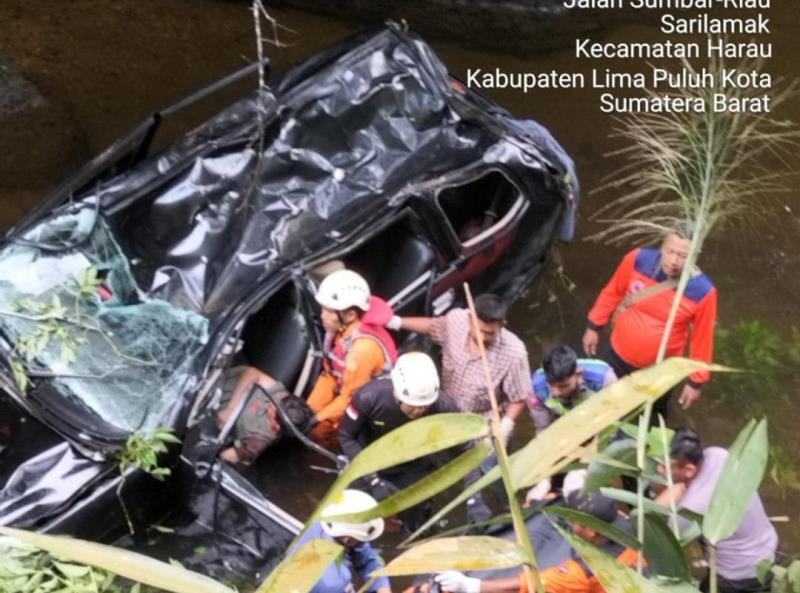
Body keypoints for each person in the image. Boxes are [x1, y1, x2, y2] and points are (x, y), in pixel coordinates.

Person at [218, 269, 398, 445]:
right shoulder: (338, 330)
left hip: (363, 399)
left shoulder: (362, 350)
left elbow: (351, 398)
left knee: (320, 430)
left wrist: (317, 419)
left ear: (350, 315)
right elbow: (330, 374)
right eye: (323, 309)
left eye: (329, 311)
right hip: (340, 381)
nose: (322, 316)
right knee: (307, 419)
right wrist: (310, 412)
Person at [340, 351, 489, 531]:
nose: (419, 411)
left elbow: (468, 452)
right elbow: (346, 436)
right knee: (356, 523)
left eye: (424, 407)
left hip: (413, 466)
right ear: (397, 392)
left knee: (415, 523)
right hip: (368, 463)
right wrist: (372, 480)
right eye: (413, 405)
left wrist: (475, 499)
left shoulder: (444, 407)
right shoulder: (368, 398)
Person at [582, 227, 717, 414]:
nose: (674, 261)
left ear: (694, 257)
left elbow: (702, 340)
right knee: (603, 407)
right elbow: (613, 292)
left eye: (683, 256)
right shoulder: (638, 260)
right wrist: (593, 326)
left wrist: (695, 382)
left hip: (660, 371)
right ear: (662, 246)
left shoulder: (703, 292)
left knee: (648, 416)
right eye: (670, 252)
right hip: (617, 355)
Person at [431, 490, 641, 593]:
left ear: (592, 531)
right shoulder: (622, 522)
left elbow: (530, 583)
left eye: (574, 522)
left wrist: (472, 585)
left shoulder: (588, 570)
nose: (570, 526)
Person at [387, 294, 530, 444]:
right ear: (470, 317)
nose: (482, 338)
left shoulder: (514, 353)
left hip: (482, 427)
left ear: (502, 326)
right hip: (446, 415)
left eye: (489, 333)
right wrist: (396, 322)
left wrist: (505, 426)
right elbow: (433, 327)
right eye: (479, 329)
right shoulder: (456, 320)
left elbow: (519, 398)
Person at [654, 428, 778, 593]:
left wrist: (660, 502)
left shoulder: (690, 509)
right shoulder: (717, 454)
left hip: (738, 576)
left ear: (689, 470)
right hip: (770, 550)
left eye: (665, 467)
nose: (658, 470)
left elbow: (657, 539)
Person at [291, 489, 392, 593]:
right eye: (362, 540)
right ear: (349, 540)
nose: (364, 543)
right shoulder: (333, 583)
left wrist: (382, 586)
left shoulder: (329, 522)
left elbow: (366, 556)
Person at [218, 366, 313, 465]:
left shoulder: (257, 443)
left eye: (274, 409)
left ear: (276, 426)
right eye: (279, 401)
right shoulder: (282, 397)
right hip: (221, 376)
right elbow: (252, 373)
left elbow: (224, 456)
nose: (272, 403)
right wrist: (231, 407)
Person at [528, 345, 617, 433]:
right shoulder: (535, 389)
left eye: (563, 386)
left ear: (578, 374)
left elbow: (615, 412)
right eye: (550, 385)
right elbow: (544, 428)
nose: (555, 393)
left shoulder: (604, 379)